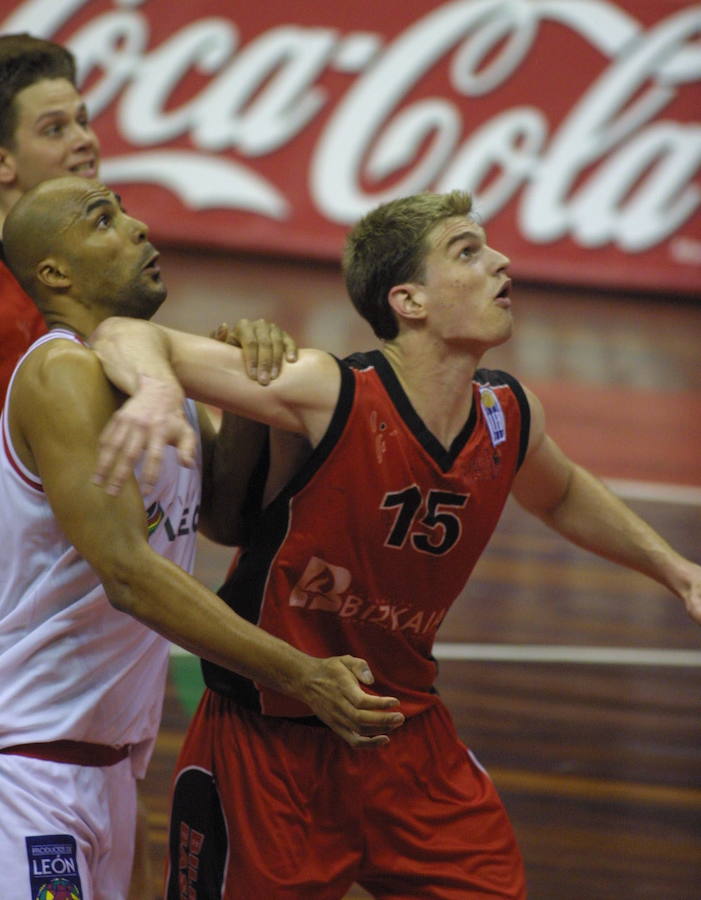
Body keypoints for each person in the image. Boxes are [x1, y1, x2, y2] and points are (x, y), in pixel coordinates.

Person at [92, 188, 701, 900]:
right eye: (467, 252)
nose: (501, 261)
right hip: (269, 743)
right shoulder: (332, 391)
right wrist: (161, 391)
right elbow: (120, 335)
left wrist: (680, 572)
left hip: (405, 738)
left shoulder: (506, 414)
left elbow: (560, 493)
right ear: (408, 301)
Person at [0, 176, 404, 900]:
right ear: (54, 273)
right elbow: (128, 574)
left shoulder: (155, 381)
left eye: (124, 210)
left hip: (108, 761)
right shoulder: (63, 374)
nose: (137, 228)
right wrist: (299, 672)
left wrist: (249, 389)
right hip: (26, 767)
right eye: (104, 221)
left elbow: (223, 516)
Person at [0, 33, 102, 407]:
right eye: (55, 129)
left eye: (82, 121)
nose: (84, 140)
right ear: (3, 162)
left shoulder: (108, 255)